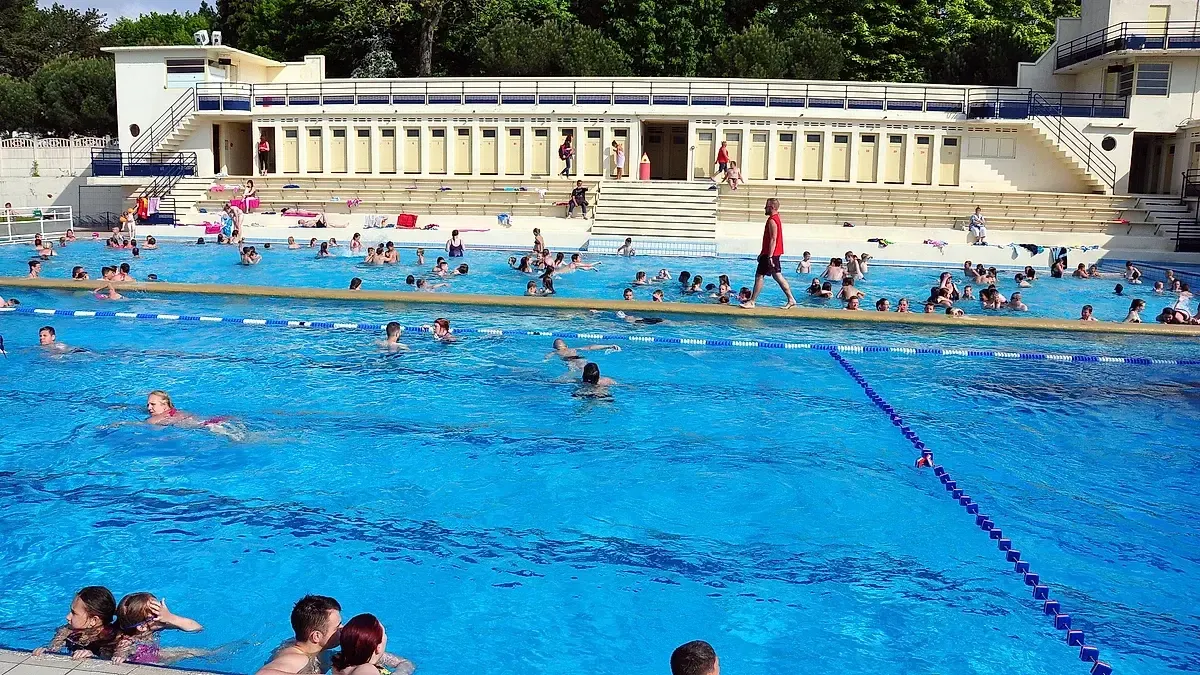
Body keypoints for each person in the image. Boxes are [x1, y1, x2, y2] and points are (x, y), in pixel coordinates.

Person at [109, 593, 204, 665]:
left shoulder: (155, 624)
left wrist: (171, 617)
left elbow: (197, 627)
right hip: (143, 661)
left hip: (154, 654)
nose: (162, 615)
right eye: (157, 614)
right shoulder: (127, 639)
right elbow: (121, 650)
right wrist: (120, 655)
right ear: (142, 627)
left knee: (195, 652)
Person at [32, 586, 118, 660]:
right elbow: (54, 648)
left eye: (74, 613)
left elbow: (110, 661)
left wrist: (93, 657)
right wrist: (47, 651)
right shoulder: (67, 630)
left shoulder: (111, 638)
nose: (67, 617)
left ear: (93, 621)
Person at [742, 198, 797, 309]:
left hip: (770, 254)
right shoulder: (776, 218)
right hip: (771, 253)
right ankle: (791, 299)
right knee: (777, 276)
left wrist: (769, 256)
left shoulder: (772, 220)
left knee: (759, 276)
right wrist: (762, 253)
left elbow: (773, 239)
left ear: (771, 207)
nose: (765, 208)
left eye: (766, 206)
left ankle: (752, 301)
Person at [548, 339, 620, 368]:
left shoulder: (555, 352)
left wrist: (546, 359)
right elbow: (590, 347)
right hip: (580, 359)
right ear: (566, 346)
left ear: (554, 347)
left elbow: (546, 358)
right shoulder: (573, 349)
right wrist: (609, 346)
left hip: (569, 361)